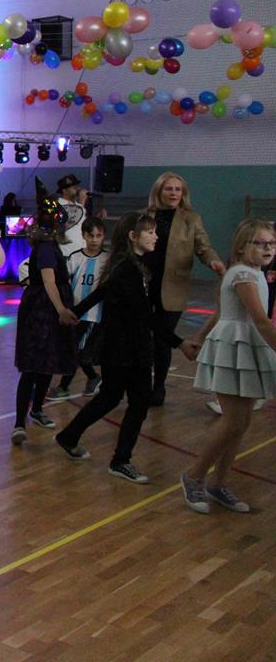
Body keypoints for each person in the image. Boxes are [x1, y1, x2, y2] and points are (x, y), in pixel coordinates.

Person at [55, 213, 200, 484]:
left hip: (126, 346)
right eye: (150, 232)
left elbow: (101, 292)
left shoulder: (130, 265)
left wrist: (75, 311)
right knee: (136, 402)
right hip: (127, 348)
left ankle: (69, 436)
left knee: (113, 397)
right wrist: (179, 343)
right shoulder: (127, 270)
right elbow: (145, 315)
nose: (155, 236)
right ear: (133, 236)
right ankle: (120, 461)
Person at [182, 219, 276, 514]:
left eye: (271, 243)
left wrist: (199, 337)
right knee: (233, 422)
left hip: (246, 347)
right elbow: (261, 321)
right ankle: (194, 476)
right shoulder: (242, 275)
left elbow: (219, 312)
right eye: (260, 243)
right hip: (233, 348)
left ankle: (218, 483)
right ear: (241, 246)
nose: (268, 248)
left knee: (241, 422)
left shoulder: (256, 274)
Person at [144, 172, 225, 406]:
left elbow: (204, 247)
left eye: (177, 189)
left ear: (183, 194)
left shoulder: (191, 219)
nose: (173, 193)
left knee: (162, 337)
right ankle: (140, 383)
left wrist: (214, 262)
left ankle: (158, 387)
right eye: (168, 188)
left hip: (174, 286)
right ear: (159, 191)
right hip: (146, 282)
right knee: (143, 335)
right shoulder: (145, 216)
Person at [11, 186, 78, 445]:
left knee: (48, 363)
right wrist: (61, 309)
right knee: (33, 366)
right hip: (42, 313)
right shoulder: (48, 248)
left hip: (45, 309)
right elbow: (49, 282)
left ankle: (36, 410)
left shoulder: (49, 245)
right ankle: (20, 422)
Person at [48, 217, 108, 401]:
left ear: (103, 236)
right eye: (91, 235)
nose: (94, 240)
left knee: (77, 351)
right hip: (75, 312)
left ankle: (64, 386)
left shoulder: (107, 260)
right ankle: (93, 377)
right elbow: (64, 281)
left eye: (98, 235)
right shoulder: (75, 257)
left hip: (93, 315)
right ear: (83, 235)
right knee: (72, 350)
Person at [55, 174, 88, 258]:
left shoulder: (79, 206)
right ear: (64, 190)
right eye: (73, 186)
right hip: (66, 252)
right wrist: (82, 201)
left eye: (77, 185)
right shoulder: (59, 205)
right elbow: (72, 219)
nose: (77, 188)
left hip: (81, 251)